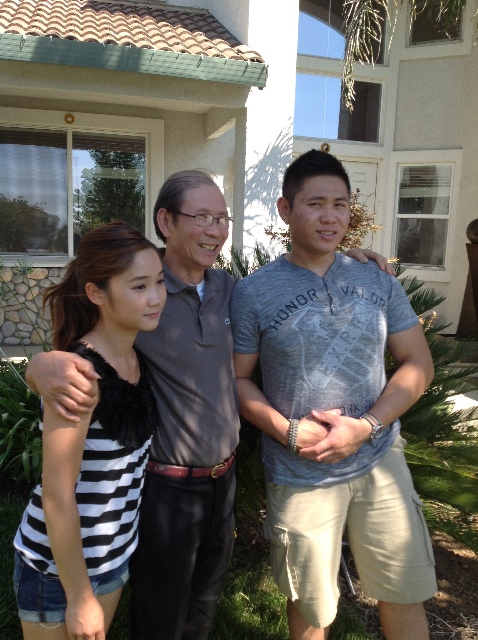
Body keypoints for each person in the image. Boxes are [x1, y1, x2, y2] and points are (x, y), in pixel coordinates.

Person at [25, 170, 394, 640]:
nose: (216, 230)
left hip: (224, 481)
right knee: (161, 618)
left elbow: (288, 284)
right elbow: (91, 340)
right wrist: (40, 364)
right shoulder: (141, 290)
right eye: (202, 217)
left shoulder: (231, 290)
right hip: (165, 488)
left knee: (202, 611)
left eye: (223, 218)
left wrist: (345, 260)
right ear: (166, 221)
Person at [230, 150, 437, 640]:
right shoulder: (254, 292)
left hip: (380, 461)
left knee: (403, 591)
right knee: (311, 607)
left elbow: (418, 363)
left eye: (340, 205)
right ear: (286, 210)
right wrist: (289, 432)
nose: (330, 217)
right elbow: (237, 380)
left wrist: (367, 426)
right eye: (315, 204)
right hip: (301, 471)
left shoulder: (377, 278)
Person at [13, 222, 165, 640]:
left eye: (159, 282)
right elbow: (57, 494)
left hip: (112, 556)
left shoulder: (135, 356)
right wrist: (79, 597)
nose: (156, 297)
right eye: (139, 286)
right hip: (58, 570)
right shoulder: (77, 377)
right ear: (97, 293)